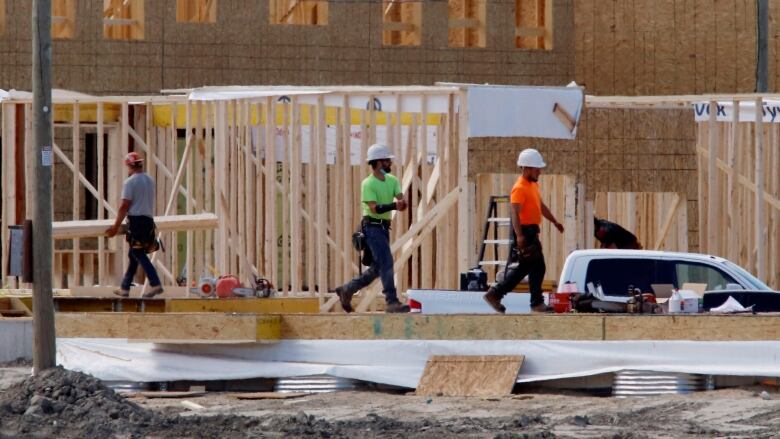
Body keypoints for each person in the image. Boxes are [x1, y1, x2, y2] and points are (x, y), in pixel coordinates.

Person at [483, 148, 564, 313]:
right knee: (536, 266)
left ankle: (496, 294)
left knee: (528, 268)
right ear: (526, 168)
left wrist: (554, 221)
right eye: (537, 169)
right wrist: (519, 236)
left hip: (531, 231)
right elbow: (514, 212)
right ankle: (534, 303)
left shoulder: (532, 185)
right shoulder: (519, 188)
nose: (539, 172)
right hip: (525, 232)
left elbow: (540, 206)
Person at [334, 143, 410, 313]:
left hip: (383, 229)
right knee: (387, 262)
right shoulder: (368, 184)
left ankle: (348, 289)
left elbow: (400, 200)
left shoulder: (392, 180)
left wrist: (403, 203)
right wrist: (394, 206)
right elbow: (374, 208)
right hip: (372, 228)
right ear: (377, 162)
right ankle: (392, 301)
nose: (389, 164)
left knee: (378, 267)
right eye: (386, 161)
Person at [106, 152, 164, 298]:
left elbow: (124, 206)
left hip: (137, 222)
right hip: (148, 221)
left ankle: (155, 283)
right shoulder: (150, 180)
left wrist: (115, 227)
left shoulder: (130, 182)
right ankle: (125, 287)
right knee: (133, 254)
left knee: (138, 253)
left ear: (129, 166)